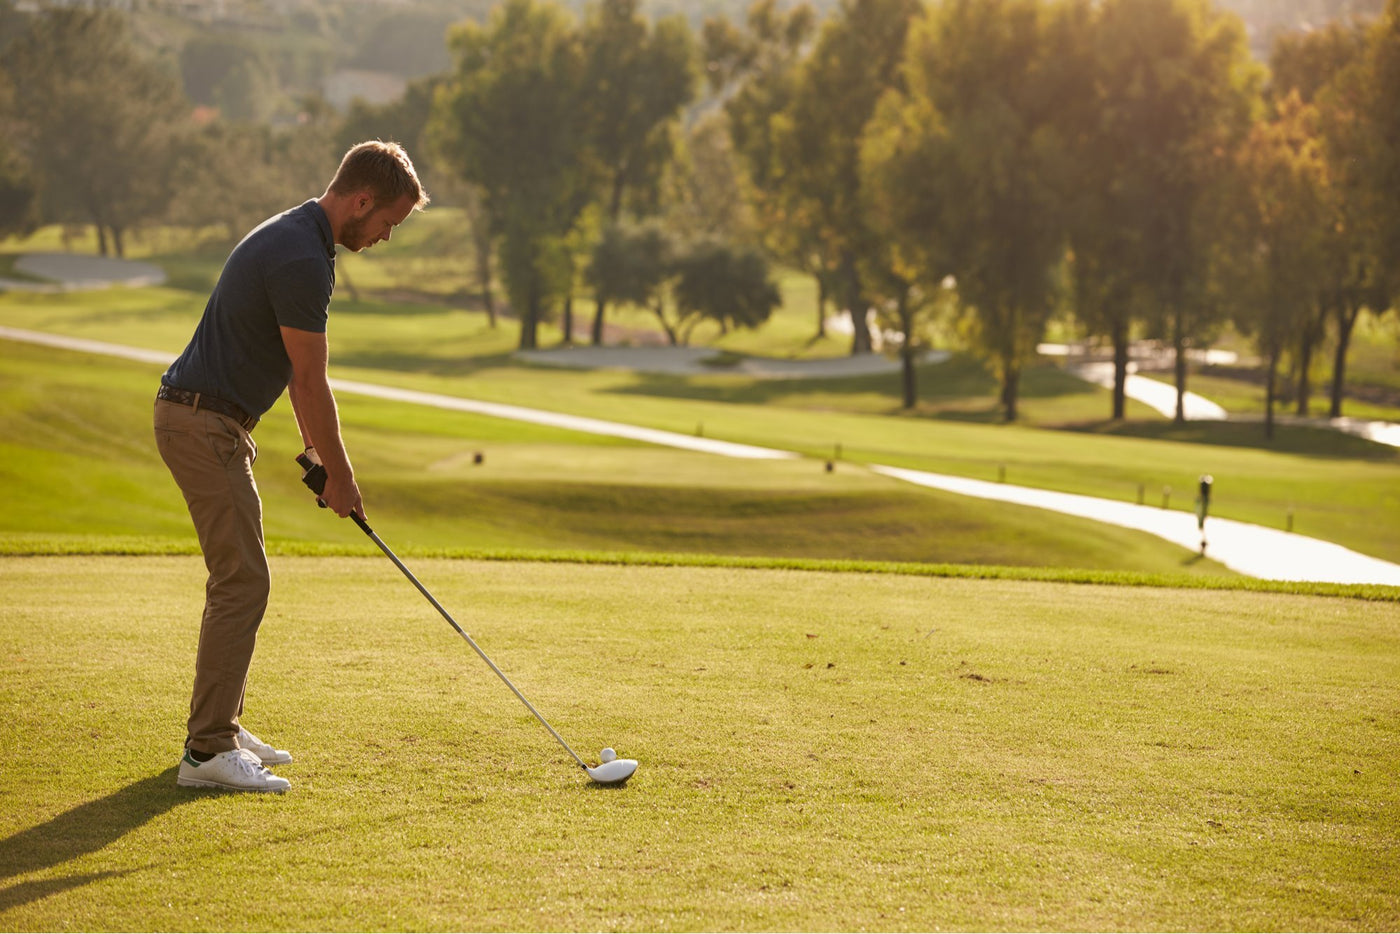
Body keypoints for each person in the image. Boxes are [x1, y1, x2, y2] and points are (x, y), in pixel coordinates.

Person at [154, 141, 429, 793]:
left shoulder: (300, 236)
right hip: (202, 423)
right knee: (242, 580)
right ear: (361, 201)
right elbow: (311, 380)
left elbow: (289, 373)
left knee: (242, 576)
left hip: (210, 419)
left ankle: (223, 723)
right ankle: (207, 751)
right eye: (387, 223)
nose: (385, 237)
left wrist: (316, 452)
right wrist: (342, 475)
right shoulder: (305, 257)